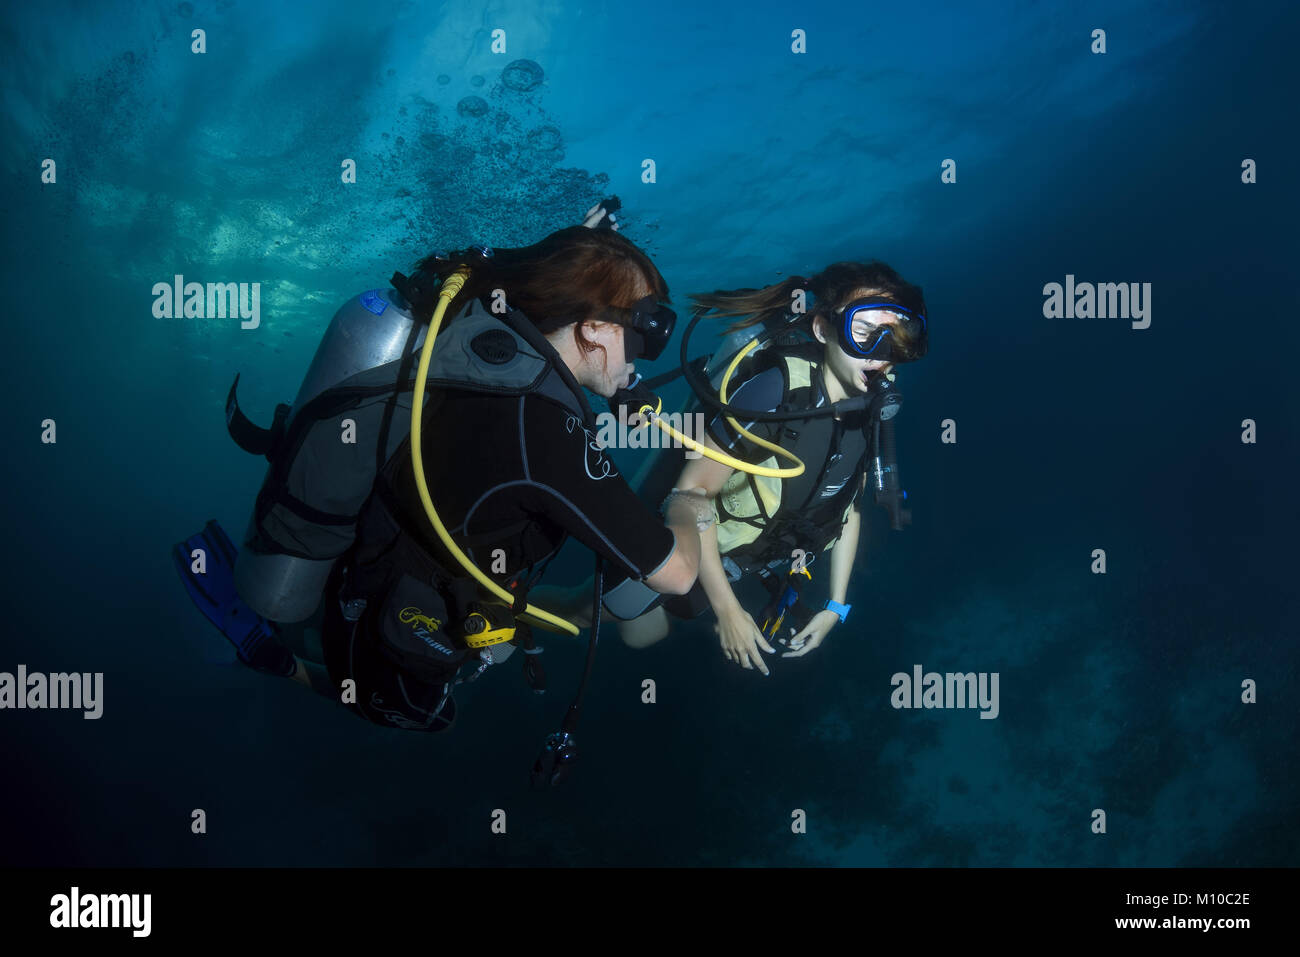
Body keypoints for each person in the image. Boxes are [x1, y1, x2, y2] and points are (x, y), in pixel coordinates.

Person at [174, 225, 705, 775]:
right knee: (429, 716)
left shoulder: (489, 341)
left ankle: (291, 613)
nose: (643, 356)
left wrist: (590, 259)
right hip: (392, 624)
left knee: (532, 615)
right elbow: (678, 574)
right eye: (646, 333)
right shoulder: (549, 437)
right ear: (593, 328)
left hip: (374, 559)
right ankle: (271, 657)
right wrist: (691, 499)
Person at [612, 261, 928, 676]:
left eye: (898, 336)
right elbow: (689, 497)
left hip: (754, 558)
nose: (882, 356)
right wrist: (728, 611)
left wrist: (836, 606)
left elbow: (848, 510)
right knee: (621, 625)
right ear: (822, 329)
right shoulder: (774, 390)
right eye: (865, 332)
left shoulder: (869, 409)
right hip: (699, 546)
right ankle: (516, 608)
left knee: (653, 629)